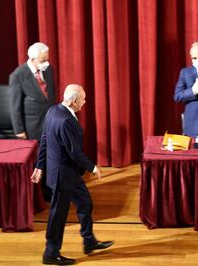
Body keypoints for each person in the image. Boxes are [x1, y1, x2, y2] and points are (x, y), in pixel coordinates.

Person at [30, 84, 114, 265]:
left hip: (69, 174)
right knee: (58, 216)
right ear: (75, 101)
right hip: (62, 176)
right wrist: (93, 167)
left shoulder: (53, 110)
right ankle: (50, 254)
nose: (85, 102)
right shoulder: (65, 121)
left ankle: (89, 241)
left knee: (85, 202)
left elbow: (44, 140)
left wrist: (39, 166)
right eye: (83, 99)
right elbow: (74, 152)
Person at [9, 42, 55, 140]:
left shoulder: (48, 69)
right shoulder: (18, 75)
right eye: (43, 60)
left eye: (47, 59)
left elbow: (51, 94)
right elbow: (15, 106)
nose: (46, 63)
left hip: (50, 123)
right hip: (32, 127)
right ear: (33, 59)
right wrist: (19, 130)